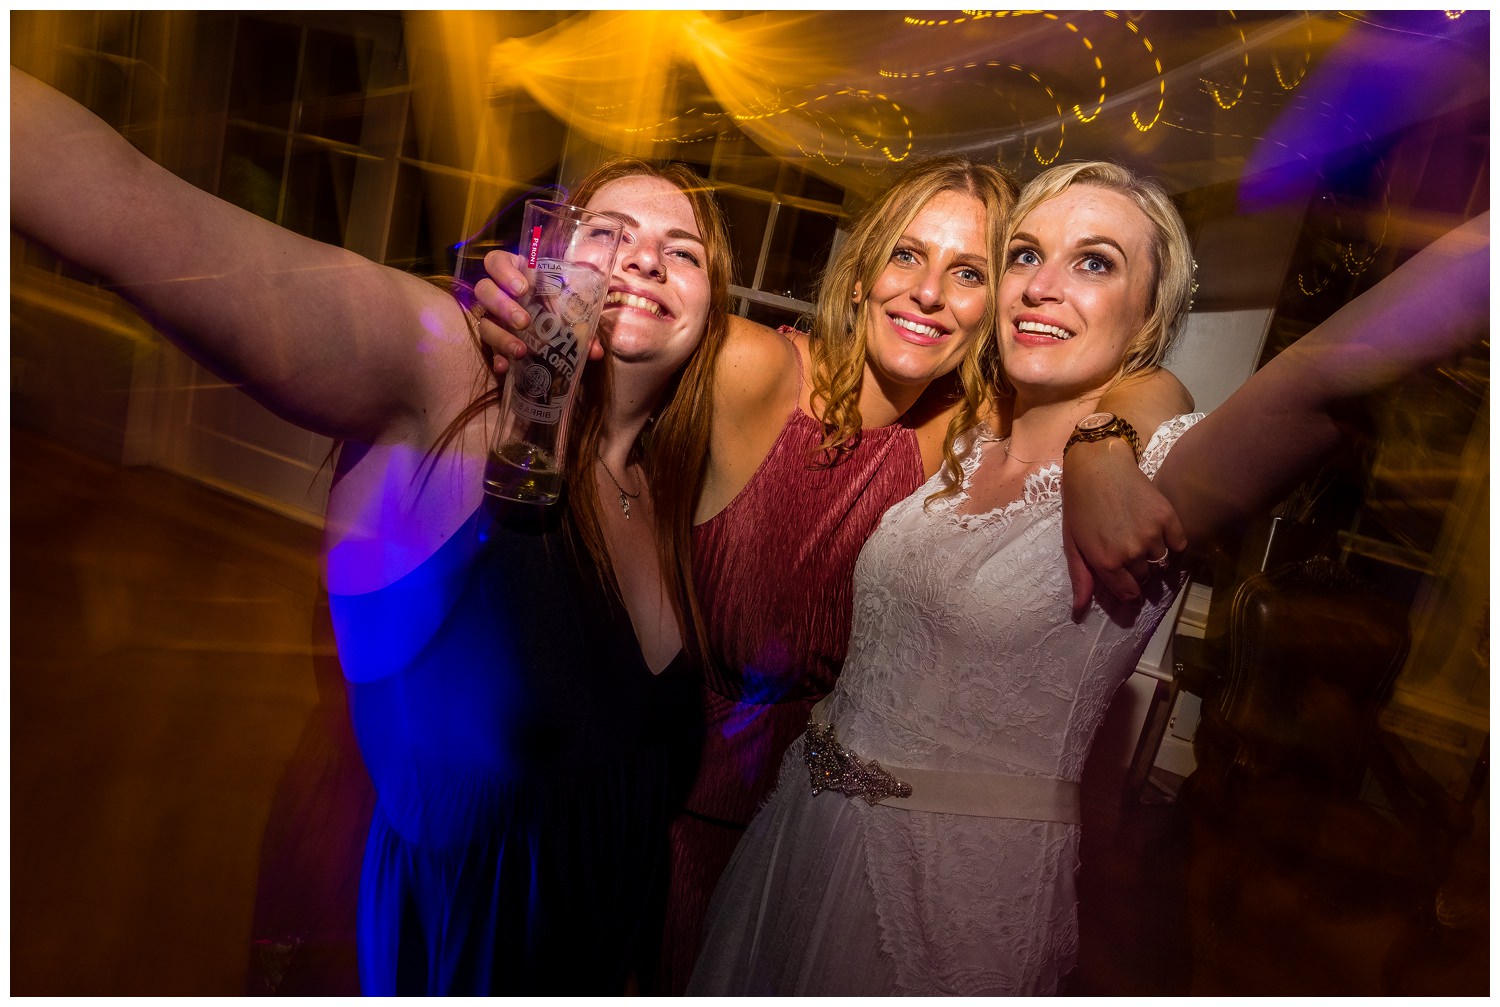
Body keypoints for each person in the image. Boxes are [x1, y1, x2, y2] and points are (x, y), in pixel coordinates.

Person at [10, 65, 731, 995]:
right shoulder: (452, 390)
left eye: (685, 252)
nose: (643, 260)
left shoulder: (670, 496)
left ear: (715, 313)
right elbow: (131, 209)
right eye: (609, 234)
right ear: (544, 260)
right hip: (439, 959)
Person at [686, 160, 1488, 995]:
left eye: (1096, 262)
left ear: (1148, 316)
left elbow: (1327, 377)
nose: (1042, 287)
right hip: (797, 834)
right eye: (1026, 256)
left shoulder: (1165, 471)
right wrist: (1097, 432)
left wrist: (1115, 430)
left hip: (950, 889)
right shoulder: (957, 428)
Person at [475, 154, 1196, 989]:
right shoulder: (753, 372)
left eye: (968, 272)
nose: (928, 292)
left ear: (993, 307)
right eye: (905, 255)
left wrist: (1106, 442)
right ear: (859, 277)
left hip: (811, 839)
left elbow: (1148, 386)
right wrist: (506, 316)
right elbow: (621, 332)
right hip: (653, 820)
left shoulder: (963, 436)